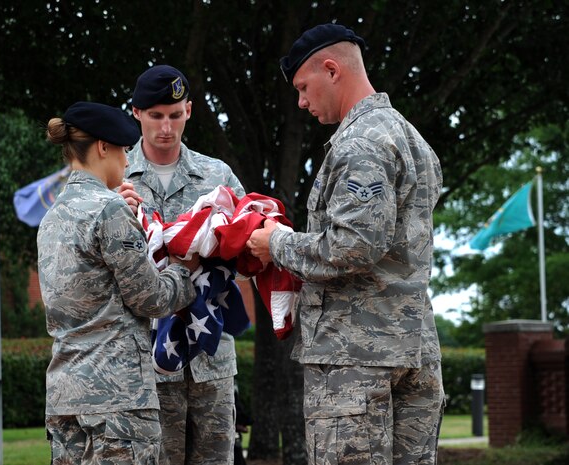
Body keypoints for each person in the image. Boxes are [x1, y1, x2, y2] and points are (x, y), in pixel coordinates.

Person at [247, 23, 445, 465]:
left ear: (331, 69)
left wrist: (276, 241)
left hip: (355, 358)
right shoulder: (412, 138)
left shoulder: (361, 143)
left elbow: (352, 246)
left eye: (303, 86)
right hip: (413, 348)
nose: (300, 101)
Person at [37, 101, 199, 465]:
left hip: (65, 396)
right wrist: (183, 268)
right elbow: (152, 299)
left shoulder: (52, 216)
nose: (127, 161)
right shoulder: (110, 210)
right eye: (124, 150)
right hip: (117, 397)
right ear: (102, 147)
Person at [119, 65, 245, 465]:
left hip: (212, 356)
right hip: (146, 356)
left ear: (189, 110)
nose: (166, 128)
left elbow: (245, 255)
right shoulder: (116, 178)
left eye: (175, 115)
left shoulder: (216, 175)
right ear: (136, 113)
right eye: (156, 115)